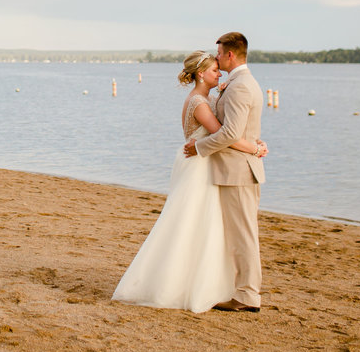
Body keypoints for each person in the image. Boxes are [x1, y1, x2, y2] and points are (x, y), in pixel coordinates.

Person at [112, 50, 267, 312]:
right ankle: (185, 283)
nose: (220, 74)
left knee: (192, 222)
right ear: (200, 74)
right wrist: (255, 149)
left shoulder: (202, 98)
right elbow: (224, 134)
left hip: (197, 163)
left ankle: (197, 280)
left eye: (220, 69)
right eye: (214, 70)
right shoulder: (200, 103)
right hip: (200, 166)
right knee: (193, 223)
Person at [184, 31, 265, 312]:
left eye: (219, 54)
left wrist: (199, 147)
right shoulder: (238, 82)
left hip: (238, 171)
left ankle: (247, 296)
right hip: (234, 168)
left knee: (243, 235)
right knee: (239, 234)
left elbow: (230, 133)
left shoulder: (241, 85)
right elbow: (241, 130)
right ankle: (239, 290)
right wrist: (254, 144)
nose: (216, 58)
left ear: (230, 54)